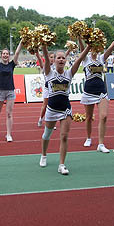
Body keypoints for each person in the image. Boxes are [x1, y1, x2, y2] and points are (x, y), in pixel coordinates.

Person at [39, 43, 91, 175]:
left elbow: (80, 59)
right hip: (51, 109)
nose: (61, 60)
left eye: (63, 58)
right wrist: (44, 45)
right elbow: (45, 57)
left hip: (65, 110)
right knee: (47, 135)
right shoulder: (49, 73)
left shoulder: (69, 73)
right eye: (59, 58)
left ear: (66, 60)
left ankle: (61, 165)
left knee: (64, 136)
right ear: (54, 60)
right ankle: (44, 155)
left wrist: (89, 46)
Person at [78, 36, 114, 153]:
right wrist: (79, 36)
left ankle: (101, 144)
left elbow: (111, 47)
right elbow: (82, 47)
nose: (95, 50)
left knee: (104, 116)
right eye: (93, 47)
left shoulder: (102, 58)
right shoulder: (85, 59)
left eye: (97, 47)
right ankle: (88, 138)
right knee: (88, 117)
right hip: (89, 91)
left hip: (101, 90)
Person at [0, 41, 23, 142]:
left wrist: (21, 42)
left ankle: (8, 134)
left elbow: (17, 52)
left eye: (7, 54)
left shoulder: (12, 64)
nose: (5, 55)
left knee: (9, 113)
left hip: (10, 91)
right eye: (4, 54)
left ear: (9, 56)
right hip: (0, 91)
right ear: (1, 55)